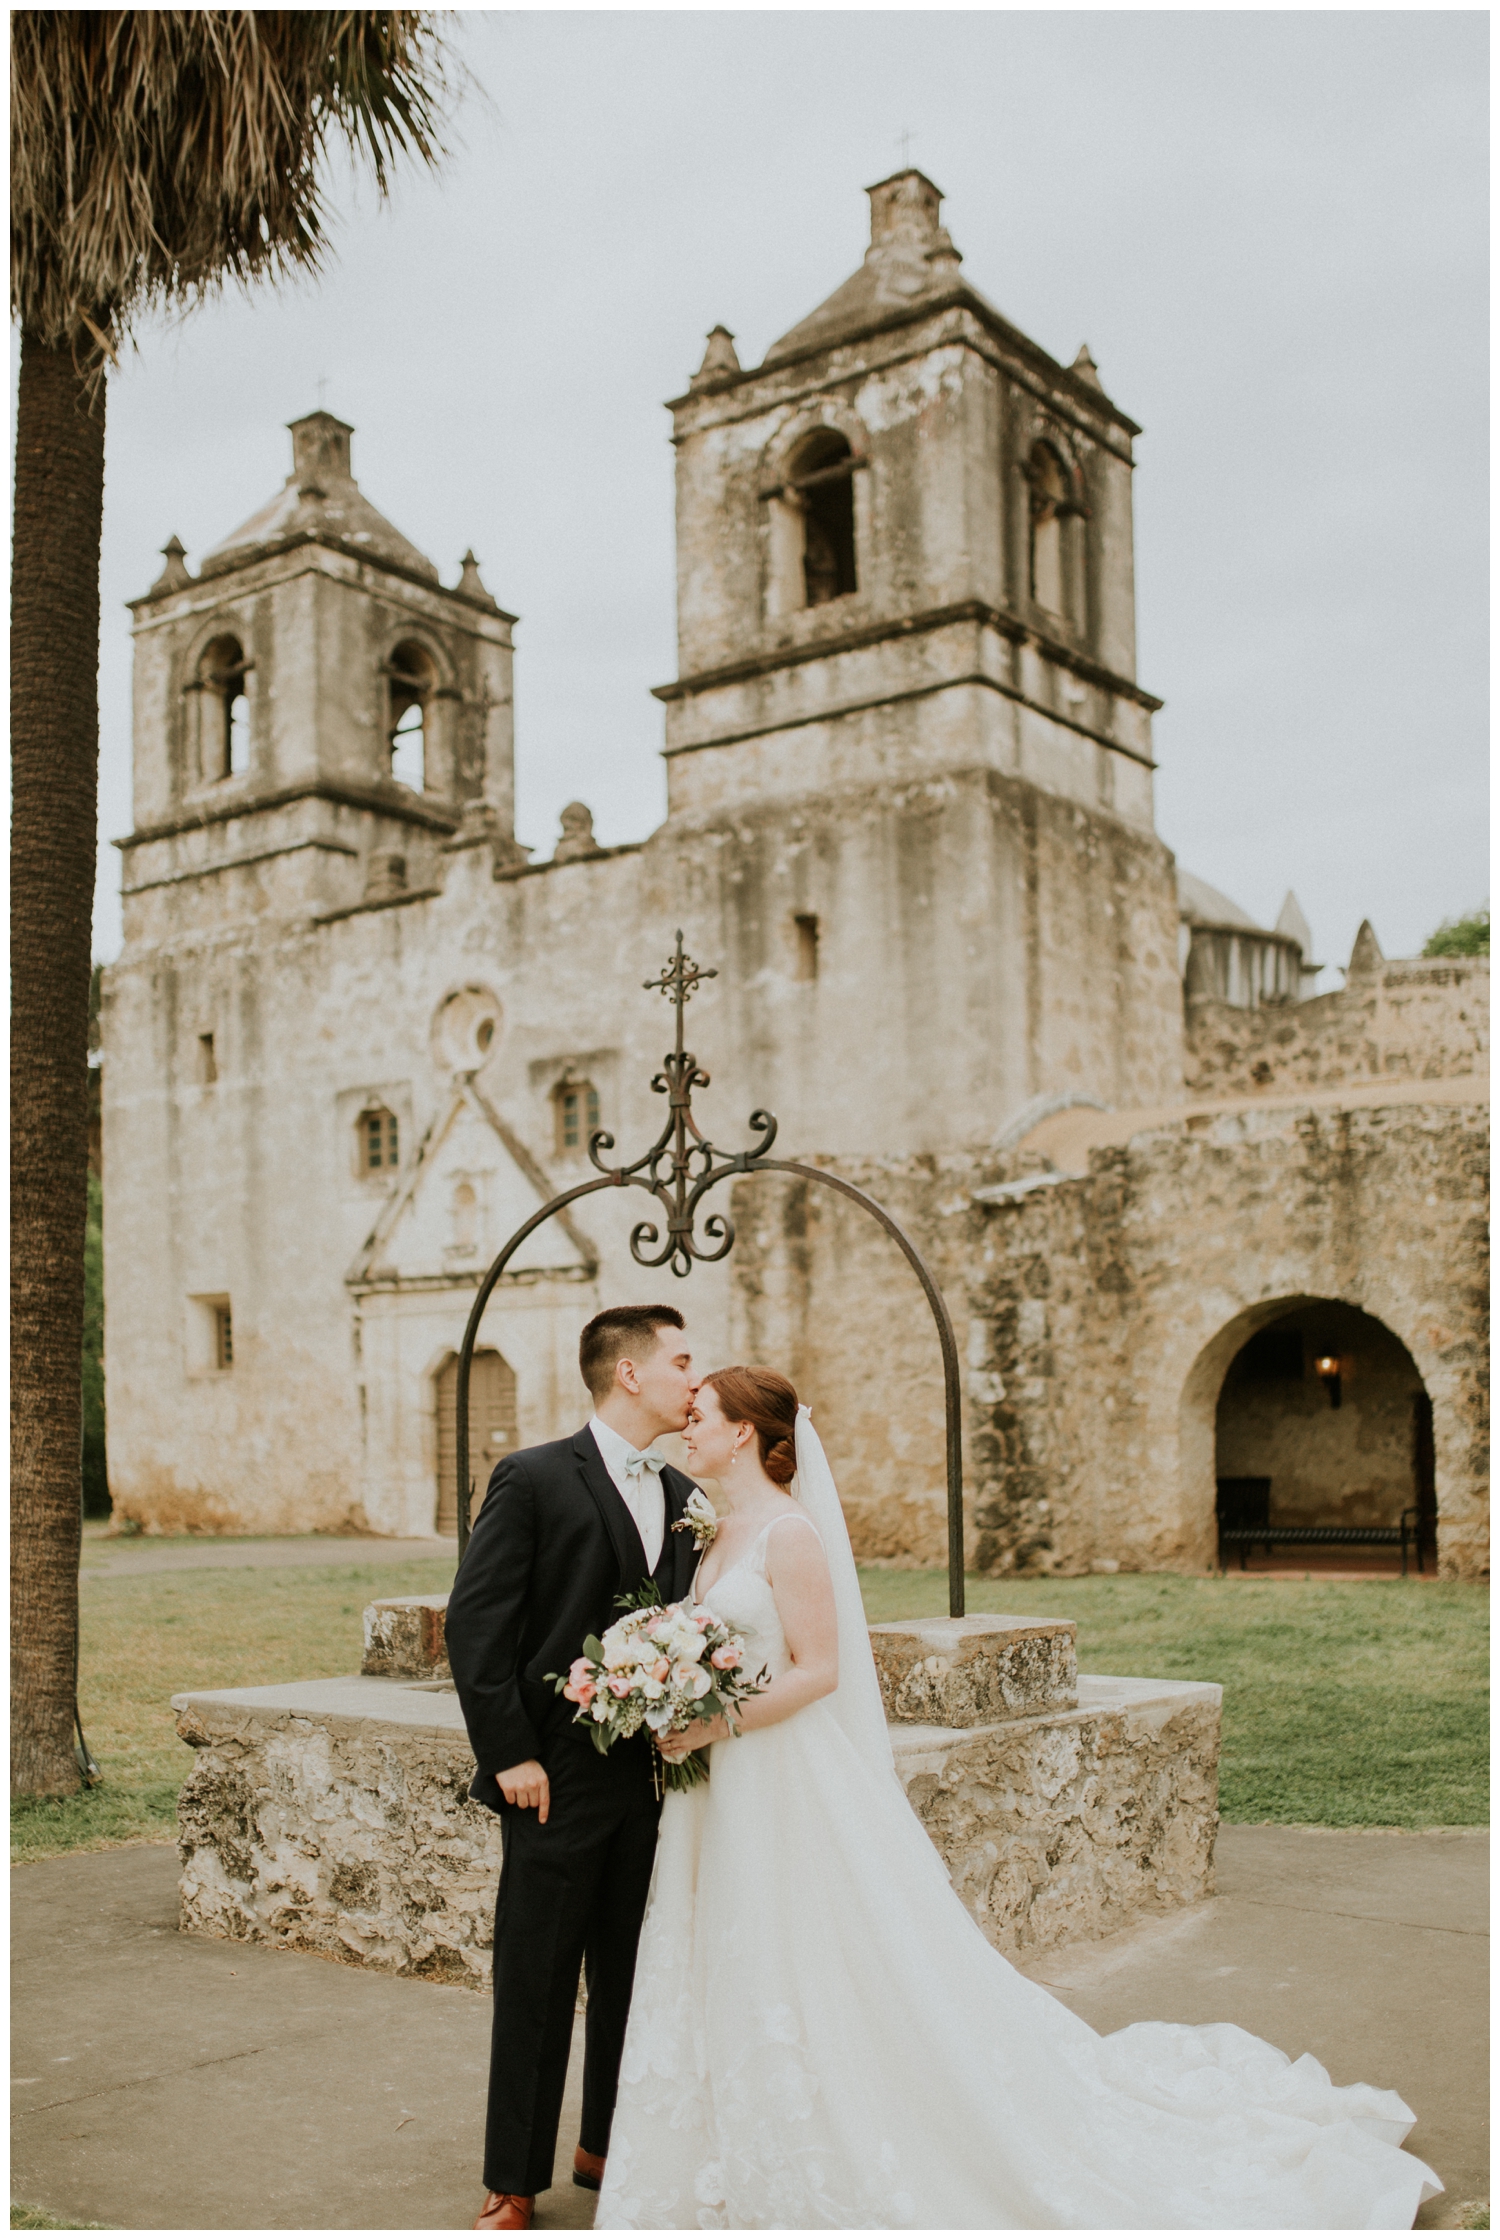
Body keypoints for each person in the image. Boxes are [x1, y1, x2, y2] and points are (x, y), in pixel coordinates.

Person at [596, 1365, 1442, 2232]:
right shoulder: (717, 1530)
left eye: (697, 1416)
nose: (683, 1429)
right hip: (726, 1786)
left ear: (743, 1433)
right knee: (731, 1945)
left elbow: (820, 1672)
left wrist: (714, 1723)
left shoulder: (790, 1534)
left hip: (781, 1775)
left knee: (805, 1949)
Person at [446, 1304, 703, 2233]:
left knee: (636, 1973)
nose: (693, 1378)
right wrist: (510, 1751)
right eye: (680, 1360)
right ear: (629, 1374)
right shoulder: (534, 1477)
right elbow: (477, 1623)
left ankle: (605, 2144)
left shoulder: (684, 1498)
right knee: (538, 1978)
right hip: (551, 1778)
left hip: (654, 1784)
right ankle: (513, 2179)